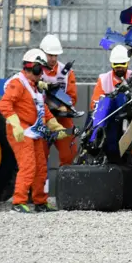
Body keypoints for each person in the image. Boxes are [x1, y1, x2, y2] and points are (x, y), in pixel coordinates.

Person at [0, 48, 70, 213]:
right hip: (21, 131)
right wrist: (16, 125)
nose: (42, 74)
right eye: (40, 70)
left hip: (33, 130)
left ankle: (40, 202)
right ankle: (19, 202)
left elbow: (43, 110)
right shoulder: (18, 83)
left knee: (41, 167)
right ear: (34, 67)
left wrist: (57, 127)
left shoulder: (34, 88)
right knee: (28, 166)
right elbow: (5, 104)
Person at [39, 34, 79, 167]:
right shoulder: (35, 70)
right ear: (42, 53)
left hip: (62, 119)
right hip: (41, 119)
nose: (53, 58)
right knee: (39, 157)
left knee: (69, 155)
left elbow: (72, 97)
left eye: (56, 55)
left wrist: (62, 106)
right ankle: (38, 187)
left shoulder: (66, 72)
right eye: (50, 55)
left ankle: (66, 184)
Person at [90, 45, 132, 111]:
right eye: (117, 67)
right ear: (112, 64)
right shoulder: (103, 79)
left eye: (122, 65)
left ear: (127, 63)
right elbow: (94, 104)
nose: (120, 69)